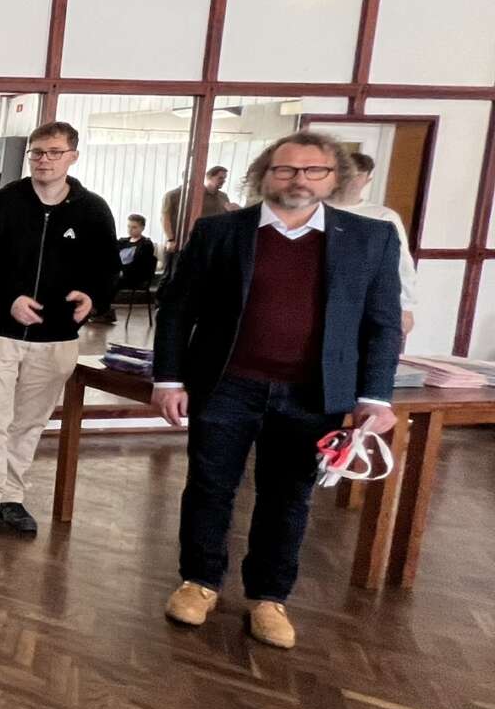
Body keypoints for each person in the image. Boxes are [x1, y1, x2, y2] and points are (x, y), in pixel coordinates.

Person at [155, 131, 402, 649]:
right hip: (227, 385)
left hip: (313, 394)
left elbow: (382, 323)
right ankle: (199, 582)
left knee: (288, 497)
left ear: (334, 178)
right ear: (265, 175)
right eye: (285, 169)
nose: (298, 180)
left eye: (314, 170)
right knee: (208, 487)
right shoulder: (220, 232)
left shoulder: (370, 238)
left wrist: (376, 396)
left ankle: (269, 598)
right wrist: (169, 379)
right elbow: (178, 308)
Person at [0, 121, 118, 536]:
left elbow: (107, 269)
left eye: (54, 152)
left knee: (29, 422)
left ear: (72, 157)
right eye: (37, 152)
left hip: (56, 337)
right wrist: (8, 297)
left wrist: (93, 297)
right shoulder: (3, 203)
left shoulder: (93, 210)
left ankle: (11, 496)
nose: (44, 160)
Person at [335, 151, 417, 338]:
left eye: (358, 175)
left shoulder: (384, 217)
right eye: (347, 173)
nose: (352, 179)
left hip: (366, 297)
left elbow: (402, 263)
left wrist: (406, 306)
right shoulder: (315, 210)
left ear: (367, 180)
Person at [161, 165, 236, 269]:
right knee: (173, 272)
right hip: (180, 242)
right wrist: (170, 239)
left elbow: (226, 218)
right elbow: (165, 218)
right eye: (220, 178)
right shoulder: (173, 195)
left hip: (207, 245)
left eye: (224, 178)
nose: (223, 181)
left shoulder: (223, 197)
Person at [94, 214, 159, 325]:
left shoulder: (146, 244)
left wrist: (121, 270)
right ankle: (98, 309)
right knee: (100, 277)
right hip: (120, 273)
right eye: (129, 226)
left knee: (112, 281)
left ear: (142, 228)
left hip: (135, 276)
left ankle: (103, 312)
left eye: (134, 227)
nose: (130, 230)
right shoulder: (122, 242)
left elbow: (140, 264)